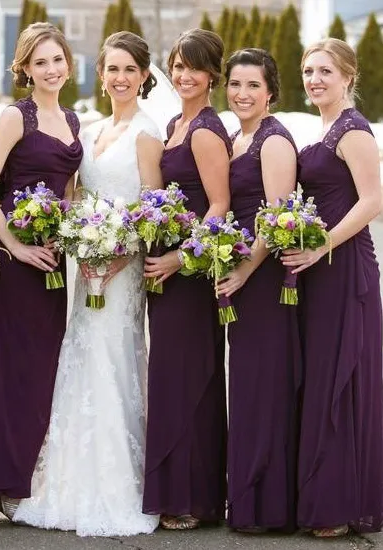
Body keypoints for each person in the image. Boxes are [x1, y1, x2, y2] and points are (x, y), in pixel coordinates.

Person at [13, 31, 164, 537]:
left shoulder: (146, 133)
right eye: (111, 69)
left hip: (120, 275)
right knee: (77, 361)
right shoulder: (95, 128)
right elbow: (77, 196)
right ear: (99, 75)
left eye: (129, 70)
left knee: (112, 360)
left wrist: (121, 254)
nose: (119, 78)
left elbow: (153, 209)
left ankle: (119, 485)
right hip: (87, 268)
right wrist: (82, 239)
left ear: (144, 76)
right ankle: (67, 480)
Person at [0, 22, 83, 518]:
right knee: (14, 370)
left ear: (68, 64)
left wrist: (79, 230)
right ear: (25, 69)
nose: (51, 70)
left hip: (53, 264)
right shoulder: (18, 117)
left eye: (57, 60)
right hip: (18, 267)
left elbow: (68, 192)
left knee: (45, 369)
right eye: (40, 63)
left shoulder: (74, 120)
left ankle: (34, 473)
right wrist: (14, 246)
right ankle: (6, 483)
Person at [281, 38, 383, 538]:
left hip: (345, 268)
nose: (314, 80)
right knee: (320, 374)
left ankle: (342, 504)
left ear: (347, 76)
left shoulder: (353, 129)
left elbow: (373, 201)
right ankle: (322, 494)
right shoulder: (321, 127)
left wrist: (322, 245)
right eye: (308, 71)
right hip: (317, 268)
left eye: (324, 71)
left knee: (342, 376)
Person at [142, 28, 230, 530]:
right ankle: (178, 490)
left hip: (190, 273)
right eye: (177, 65)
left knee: (189, 376)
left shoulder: (203, 130)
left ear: (212, 74)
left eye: (194, 67)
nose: (183, 75)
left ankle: (192, 498)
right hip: (166, 271)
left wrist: (178, 257)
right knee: (171, 375)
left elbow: (218, 205)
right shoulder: (177, 122)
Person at [217, 48, 301, 533]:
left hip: (265, 280)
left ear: (270, 92)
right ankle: (246, 499)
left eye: (253, 85)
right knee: (247, 386)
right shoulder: (235, 137)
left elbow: (276, 215)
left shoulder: (273, 141)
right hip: (240, 275)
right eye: (236, 84)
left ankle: (268, 507)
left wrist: (246, 270)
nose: (242, 93)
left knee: (264, 386)